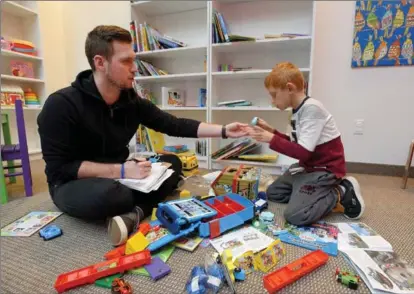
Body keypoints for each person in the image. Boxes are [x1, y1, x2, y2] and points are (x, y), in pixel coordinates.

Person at [37, 25, 248, 246]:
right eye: (126, 61)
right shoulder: (61, 105)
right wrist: (120, 169)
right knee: (115, 195)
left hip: (122, 175)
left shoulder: (130, 101)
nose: (135, 68)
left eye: (133, 60)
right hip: (73, 183)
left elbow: (174, 124)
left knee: (173, 163)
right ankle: (141, 205)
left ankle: (135, 213)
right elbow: (60, 168)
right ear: (100, 63)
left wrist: (224, 130)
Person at [247, 62, 365, 226]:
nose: (272, 101)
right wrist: (272, 132)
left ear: (289, 88)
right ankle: (308, 193)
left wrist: (270, 139)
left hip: (325, 170)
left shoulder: (312, 109)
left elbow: (302, 152)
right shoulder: (297, 110)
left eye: (274, 95)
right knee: (274, 193)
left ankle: (342, 191)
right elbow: (295, 144)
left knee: (295, 214)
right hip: (308, 167)